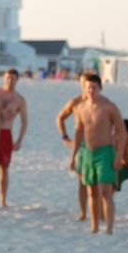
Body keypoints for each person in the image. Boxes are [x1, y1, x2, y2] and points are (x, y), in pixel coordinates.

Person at [70, 74, 126, 234]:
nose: (91, 90)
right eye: (88, 87)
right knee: (92, 192)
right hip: (88, 152)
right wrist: (73, 156)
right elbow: (79, 132)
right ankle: (94, 227)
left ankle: (109, 227)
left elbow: (121, 131)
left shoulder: (109, 107)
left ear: (100, 88)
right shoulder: (81, 107)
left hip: (105, 151)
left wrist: (119, 155)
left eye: (94, 87)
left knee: (105, 192)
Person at [0, 68, 28, 208]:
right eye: (7, 77)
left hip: (6, 133)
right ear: (3, 78)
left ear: (17, 80)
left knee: (4, 168)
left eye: (13, 78)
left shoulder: (19, 99)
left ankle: (2, 200)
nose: (10, 81)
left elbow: (24, 121)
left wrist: (19, 140)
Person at [56, 72, 90, 221]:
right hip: (81, 144)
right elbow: (60, 118)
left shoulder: (102, 103)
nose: (84, 85)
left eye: (87, 82)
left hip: (97, 143)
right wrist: (65, 137)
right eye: (82, 82)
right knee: (82, 180)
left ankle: (99, 211)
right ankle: (83, 212)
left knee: (99, 182)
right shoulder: (75, 102)